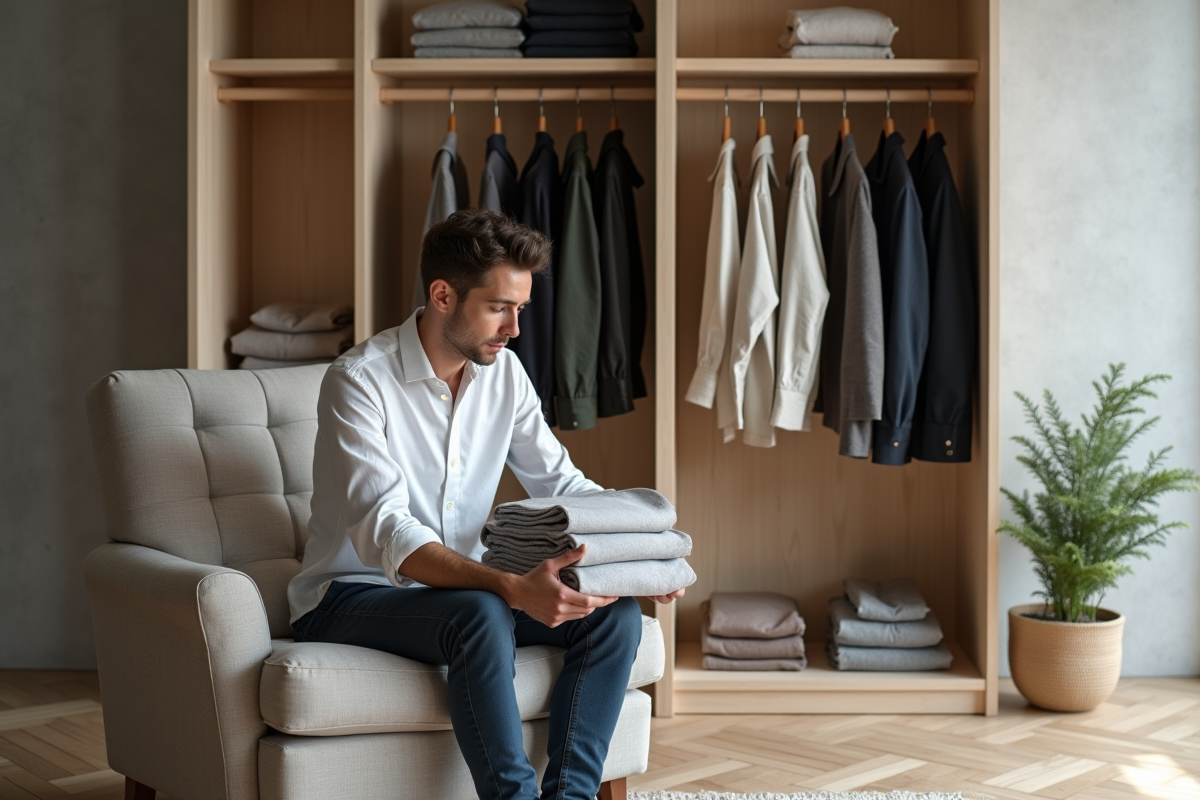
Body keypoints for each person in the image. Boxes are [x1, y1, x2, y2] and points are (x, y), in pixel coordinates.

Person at [287, 209, 684, 800]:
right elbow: (387, 530)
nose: (515, 328)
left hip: (469, 595)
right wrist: (508, 584)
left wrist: (637, 560)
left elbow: (562, 484)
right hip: (350, 594)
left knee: (615, 615)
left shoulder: (504, 374)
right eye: (499, 307)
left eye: (520, 308)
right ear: (442, 295)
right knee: (480, 611)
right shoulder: (358, 381)